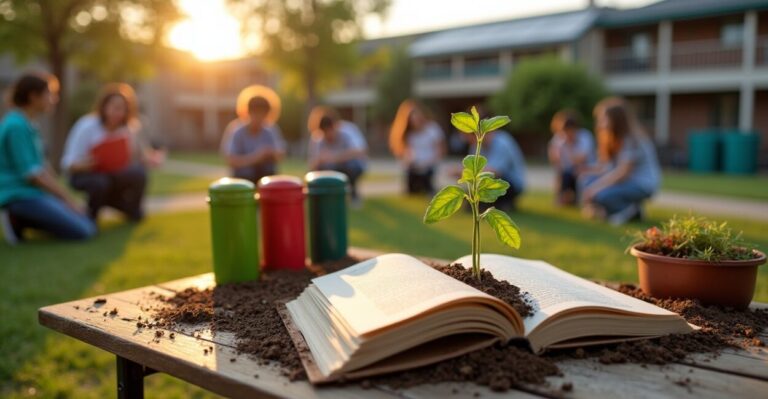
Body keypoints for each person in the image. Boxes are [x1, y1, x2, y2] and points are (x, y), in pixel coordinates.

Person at [0, 72, 95, 242]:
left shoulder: (28, 124)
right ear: (34, 97)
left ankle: (23, 220)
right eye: (49, 94)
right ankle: (14, 218)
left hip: (32, 193)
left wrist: (64, 199)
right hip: (18, 196)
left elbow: (41, 166)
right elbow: (33, 174)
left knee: (87, 223)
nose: (54, 99)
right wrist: (69, 200)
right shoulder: (16, 126)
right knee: (84, 230)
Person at [61, 83, 163, 222]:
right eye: (115, 108)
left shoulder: (129, 128)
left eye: (123, 109)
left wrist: (151, 159)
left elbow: (138, 156)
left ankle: (133, 210)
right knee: (101, 182)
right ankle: (91, 217)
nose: (119, 113)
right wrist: (88, 164)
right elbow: (67, 164)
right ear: (104, 106)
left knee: (138, 173)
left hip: (114, 174)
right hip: (86, 174)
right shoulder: (86, 126)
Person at [580, 97, 661, 225]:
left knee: (602, 195)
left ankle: (629, 211)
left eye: (603, 118)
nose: (600, 122)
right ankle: (620, 209)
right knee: (587, 180)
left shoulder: (632, 140)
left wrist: (595, 188)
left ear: (616, 120)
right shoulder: (613, 138)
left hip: (641, 185)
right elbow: (606, 167)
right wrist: (588, 171)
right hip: (626, 182)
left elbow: (623, 173)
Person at [222, 92, 286, 185]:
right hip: (243, 180)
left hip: (266, 179)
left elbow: (280, 154)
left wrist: (271, 153)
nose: (259, 118)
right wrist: (256, 158)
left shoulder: (271, 130)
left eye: (263, 114)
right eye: (256, 113)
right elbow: (231, 160)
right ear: (248, 112)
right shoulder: (236, 131)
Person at [308, 107, 367, 205]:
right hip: (331, 169)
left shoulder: (348, 130)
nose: (328, 135)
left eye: (329, 131)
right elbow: (312, 163)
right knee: (319, 170)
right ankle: (324, 197)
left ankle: (353, 195)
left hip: (350, 167)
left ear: (335, 126)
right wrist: (319, 162)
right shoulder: (318, 138)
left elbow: (361, 150)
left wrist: (334, 158)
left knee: (352, 165)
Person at [389, 100, 446, 195]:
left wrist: (428, 162)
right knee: (412, 190)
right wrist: (408, 161)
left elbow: (440, 150)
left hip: (429, 164)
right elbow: (406, 152)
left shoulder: (432, 129)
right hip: (414, 164)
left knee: (427, 185)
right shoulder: (408, 134)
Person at [466, 129, 526, 212]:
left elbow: (495, 171)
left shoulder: (502, 142)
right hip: (493, 181)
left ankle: (503, 203)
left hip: (511, 183)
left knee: (491, 181)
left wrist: (465, 172)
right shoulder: (476, 145)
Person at [548, 110, 595, 206]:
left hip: (586, 169)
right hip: (568, 171)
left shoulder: (585, 137)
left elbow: (583, 158)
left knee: (578, 175)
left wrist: (568, 150)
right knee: (562, 174)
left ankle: (579, 199)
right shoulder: (559, 139)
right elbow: (555, 160)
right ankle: (563, 197)